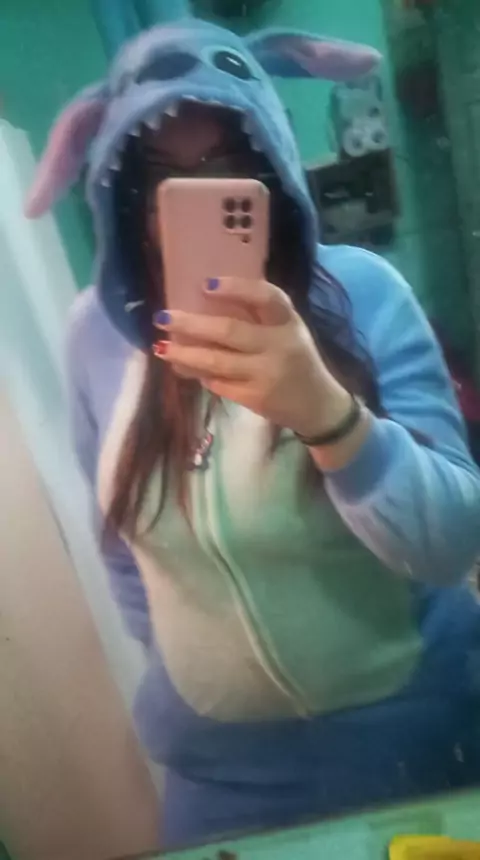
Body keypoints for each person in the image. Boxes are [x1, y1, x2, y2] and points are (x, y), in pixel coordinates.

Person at [26, 16, 480, 851]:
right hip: (220, 780)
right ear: (120, 188)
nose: (196, 200)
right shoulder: (94, 335)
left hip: (413, 743)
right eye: (159, 176)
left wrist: (330, 419)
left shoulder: (365, 292)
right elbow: (124, 556)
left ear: (272, 167)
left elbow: (453, 545)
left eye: (227, 165)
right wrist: (201, 676)